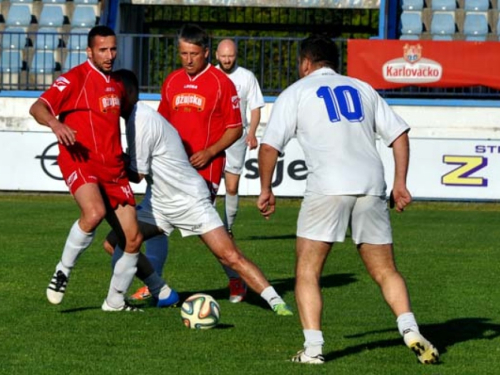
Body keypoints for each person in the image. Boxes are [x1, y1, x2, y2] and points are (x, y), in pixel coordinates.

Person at [257, 35, 439, 364]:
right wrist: (400, 183)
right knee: (386, 270)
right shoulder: (362, 88)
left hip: (328, 186)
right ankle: (410, 330)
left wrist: (266, 189)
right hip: (371, 185)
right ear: (335, 64)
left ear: (305, 63)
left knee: (308, 272)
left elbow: (268, 147)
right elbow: (399, 134)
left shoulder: (296, 92)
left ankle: (313, 350)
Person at [104, 69, 293, 316]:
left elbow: (136, 174)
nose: (109, 98)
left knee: (230, 256)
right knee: (114, 242)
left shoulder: (140, 120)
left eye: (114, 93)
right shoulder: (136, 118)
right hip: (159, 202)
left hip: (190, 200)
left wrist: (103, 163)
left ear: (127, 93)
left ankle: (277, 302)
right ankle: (162, 291)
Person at [131, 24, 248, 304]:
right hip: (168, 169)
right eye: (183, 53)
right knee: (155, 221)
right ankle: (154, 281)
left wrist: (210, 152)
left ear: (206, 52)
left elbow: (235, 128)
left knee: (206, 232)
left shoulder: (222, 83)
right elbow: (162, 124)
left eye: (193, 53)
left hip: (203, 169)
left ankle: (236, 278)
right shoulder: (172, 81)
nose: (188, 59)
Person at [29, 25, 144, 312]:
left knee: (133, 238)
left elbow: (132, 123)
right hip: (81, 159)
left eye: (113, 49)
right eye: (103, 50)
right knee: (94, 213)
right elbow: (38, 107)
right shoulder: (74, 79)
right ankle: (62, 271)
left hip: (113, 168)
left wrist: (133, 160)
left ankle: (115, 302)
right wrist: (56, 124)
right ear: (89, 51)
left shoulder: (118, 83)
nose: (109, 55)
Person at [215, 39, 265, 239]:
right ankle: (206, 228)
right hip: (214, 135)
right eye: (224, 56)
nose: (227, 60)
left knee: (232, 186)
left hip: (237, 135)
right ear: (217, 55)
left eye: (231, 56)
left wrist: (252, 132)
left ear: (236, 55)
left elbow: (255, 107)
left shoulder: (246, 77)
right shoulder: (210, 74)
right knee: (206, 184)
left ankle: (227, 228)